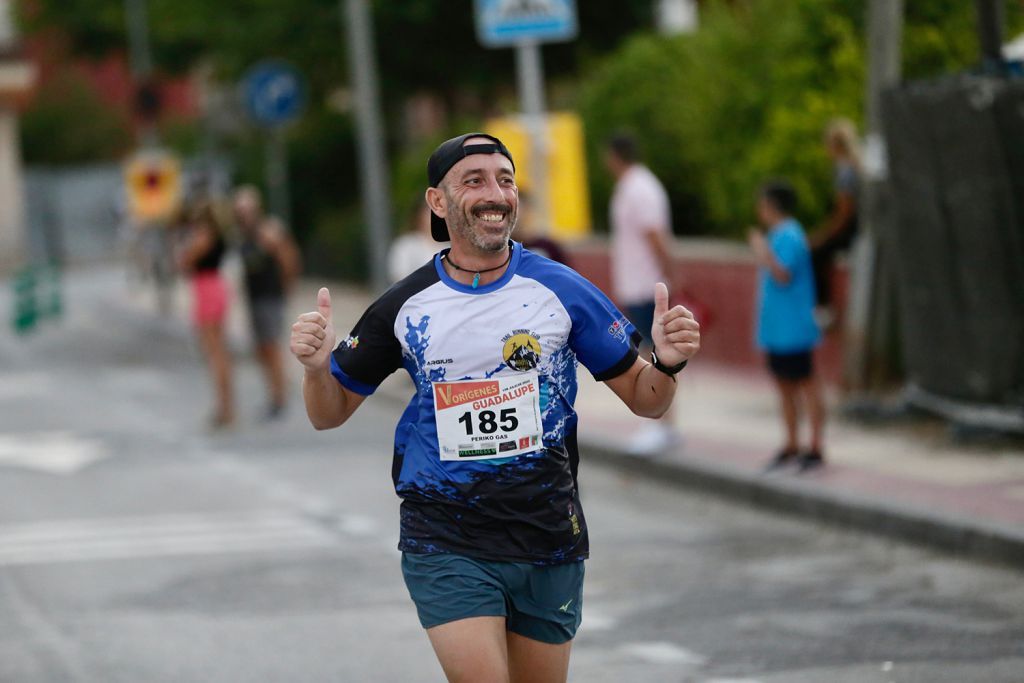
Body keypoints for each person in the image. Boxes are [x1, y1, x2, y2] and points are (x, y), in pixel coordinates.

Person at [290, 133, 700, 682]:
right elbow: (327, 412)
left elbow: (647, 399)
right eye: (475, 180)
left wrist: (667, 364)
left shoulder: (561, 290)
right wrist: (318, 369)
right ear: (438, 202)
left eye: (505, 180)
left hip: (547, 534)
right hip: (446, 535)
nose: (496, 194)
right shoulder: (406, 304)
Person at [604, 132, 681, 454]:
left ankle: (663, 424)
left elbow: (654, 234)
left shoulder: (640, 187)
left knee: (657, 354)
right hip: (636, 282)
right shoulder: (630, 186)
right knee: (648, 351)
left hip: (648, 284)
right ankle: (659, 423)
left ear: (615, 155)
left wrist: (670, 273)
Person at [747, 180, 825, 472]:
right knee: (784, 386)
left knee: (806, 384)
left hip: (794, 328)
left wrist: (761, 249)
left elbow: (782, 274)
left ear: (771, 205)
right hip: (778, 330)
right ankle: (792, 443)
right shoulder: (779, 234)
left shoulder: (790, 235)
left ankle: (815, 445)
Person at [232, 185, 301, 420]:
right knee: (261, 349)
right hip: (254, 298)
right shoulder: (242, 236)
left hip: (270, 297)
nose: (244, 216)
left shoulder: (268, 230)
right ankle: (273, 392)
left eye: (247, 210)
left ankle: (279, 396)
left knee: (272, 347)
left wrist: (286, 288)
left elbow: (288, 258)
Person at [177, 202, 234, 429]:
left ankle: (224, 407)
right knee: (218, 350)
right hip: (213, 286)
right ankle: (226, 405)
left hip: (206, 288)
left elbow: (185, 262)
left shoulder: (204, 237)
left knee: (215, 352)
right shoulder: (217, 235)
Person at [810, 118, 862, 329]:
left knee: (816, 254)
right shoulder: (854, 166)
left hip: (850, 232)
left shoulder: (845, 171)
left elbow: (844, 213)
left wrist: (823, 236)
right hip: (854, 229)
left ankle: (823, 308)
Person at [388, 199, 442, 283]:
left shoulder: (450, 246)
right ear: (419, 215)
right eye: (429, 212)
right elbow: (400, 277)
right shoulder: (406, 244)